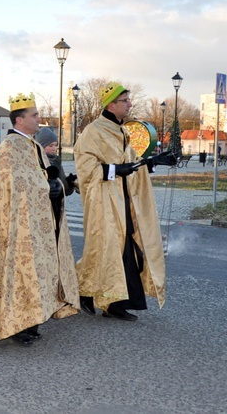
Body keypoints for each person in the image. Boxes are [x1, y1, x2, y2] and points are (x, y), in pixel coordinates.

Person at [0, 93, 79, 346]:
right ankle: (17, 324)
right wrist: (45, 187)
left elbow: (43, 177)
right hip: (16, 224)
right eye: (35, 115)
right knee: (18, 272)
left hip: (36, 223)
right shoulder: (10, 146)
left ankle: (30, 320)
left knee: (34, 272)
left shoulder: (34, 145)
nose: (39, 119)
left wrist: (57, 186)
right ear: (20, 120)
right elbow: (15, 184)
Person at [74, 82, 171, 321]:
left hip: (124, 201)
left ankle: (92, 295)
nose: (130, 104)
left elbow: (131, 162)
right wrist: (114, 170)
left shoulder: (123, 130)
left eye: (129, 100)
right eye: (125, 101)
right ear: (111, 104)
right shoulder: (93, 131)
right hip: (104, 201)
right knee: (109, 250)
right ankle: (110, 302)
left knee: (125, 249)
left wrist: (152, 162)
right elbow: (85, 168)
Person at [35, 127, 79, 223]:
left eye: (55, 145)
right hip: (43, 211)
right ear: (41, 146)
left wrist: (69, 182)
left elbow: (64, 189)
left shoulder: (56, 161)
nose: (54, 148)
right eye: (50, 145)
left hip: (58, 207)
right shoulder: (36, 162)